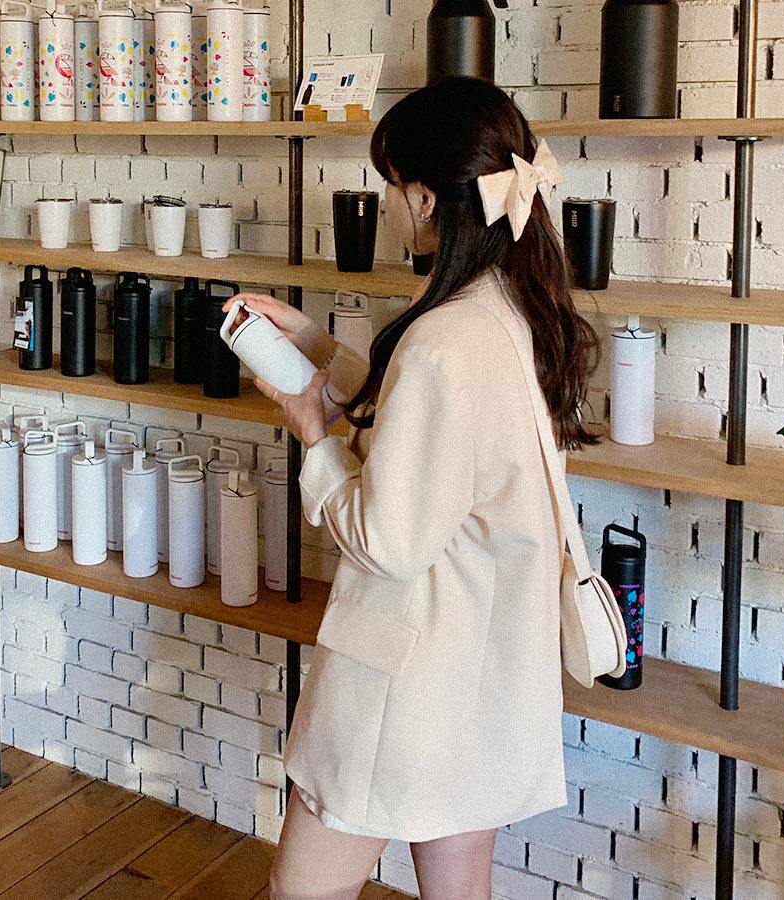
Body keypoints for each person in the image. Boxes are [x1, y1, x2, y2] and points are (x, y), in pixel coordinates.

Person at [223, 76, 600, 900]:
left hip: (405, 681)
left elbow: (386, 540)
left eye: (391, 186)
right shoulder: (513, 311)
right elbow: (430, 432)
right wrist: (315, 345)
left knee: (301, 892)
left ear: (425, 199)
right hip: (484, 674)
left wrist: (313, 431)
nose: (388, 205)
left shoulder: (442, 340)